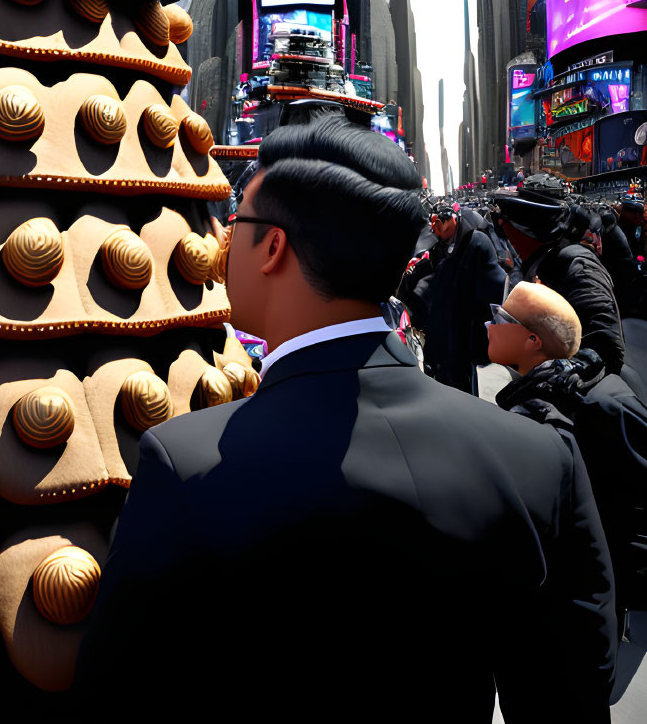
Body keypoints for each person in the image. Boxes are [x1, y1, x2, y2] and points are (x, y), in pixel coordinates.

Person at [80, 115, 617, 719]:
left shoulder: (183, 465)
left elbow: (116, 692)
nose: (223, 247)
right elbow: (572, 695)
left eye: (236, 225)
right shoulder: (539, 458)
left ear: (274, 247)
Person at [489, 281, 647, 632]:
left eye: (499, 317)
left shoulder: (600, 404)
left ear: (534, 341)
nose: (490, 325)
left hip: (591, 609)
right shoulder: (545, 397)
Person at [493, 177, 627, 375]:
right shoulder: (543, 262)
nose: (504, 228)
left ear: (533, 225)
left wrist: (557, 372)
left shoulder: (576, 265)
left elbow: (606, 347)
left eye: (510, 222)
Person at [396, 198, 504, 393]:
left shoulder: (476, 241)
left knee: (461, 382)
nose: (435, 228)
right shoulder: (439, 246)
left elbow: (493, 286)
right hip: (440, 326)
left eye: (439, 222)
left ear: (453, 219)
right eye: (433, 223)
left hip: (463, 327)